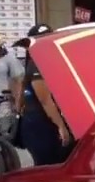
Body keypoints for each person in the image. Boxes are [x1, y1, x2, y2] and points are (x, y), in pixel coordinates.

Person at [18, 23, 72, 165]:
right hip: (40, 124)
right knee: (48, 168)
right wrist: (61, 126)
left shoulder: (46, 61)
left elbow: (22, 88)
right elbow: (45, 99)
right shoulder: (36, 63)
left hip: (41, 121)